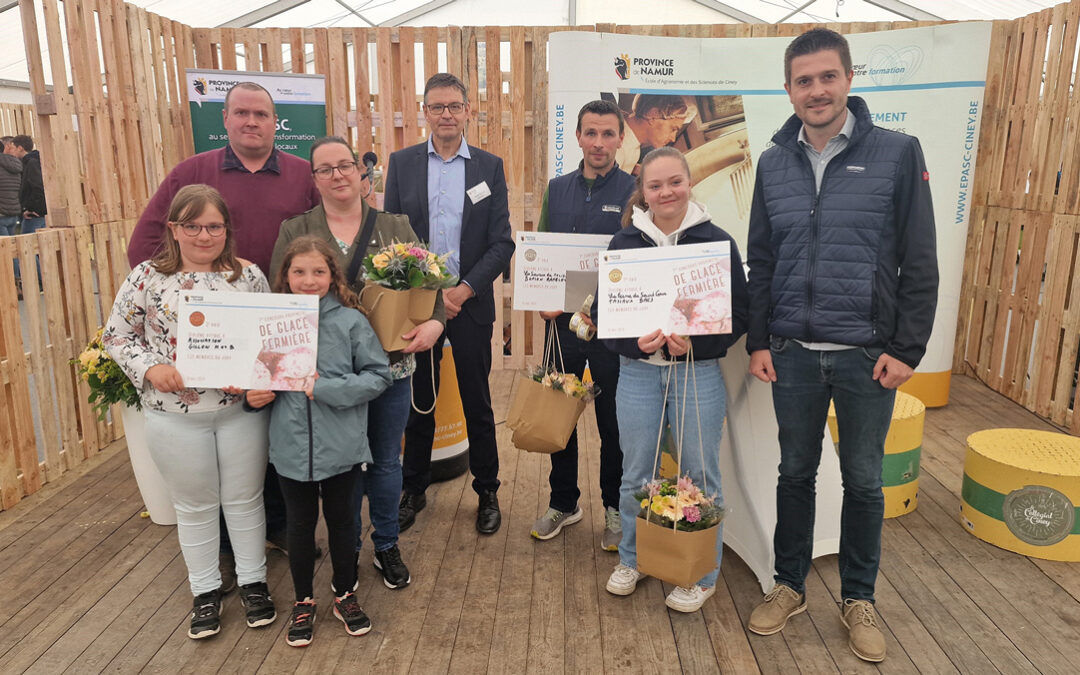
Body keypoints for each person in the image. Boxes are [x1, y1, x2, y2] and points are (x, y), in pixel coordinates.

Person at [744, 29, 938, 663]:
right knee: (794, 473)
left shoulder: (897, 153)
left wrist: (907, 349)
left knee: (862, 480)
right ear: (789, 89)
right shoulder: (773, 162)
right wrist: (760, 339)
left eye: (827, 77)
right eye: (804, 81)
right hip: (793, 352)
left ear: (849, 80)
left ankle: (860, 597)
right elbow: (763, 260)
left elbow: (919, 259)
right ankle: (788, 585)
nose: (816, 91)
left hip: (863, 354)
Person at [126, 82, 322, 588]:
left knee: (263, 443)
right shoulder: (192, 173)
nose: (251, 121)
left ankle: (273, 533)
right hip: (200, 349)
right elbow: (145, 240)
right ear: (227, 118)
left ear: (275, 121)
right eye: (241, 113)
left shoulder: (302, 175)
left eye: (261, 113)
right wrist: (168, 289)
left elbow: (322, 239)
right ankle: (218, 559)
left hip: (275, 323)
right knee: (208, 479)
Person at [272, 136, 446, 590]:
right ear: (314, 179)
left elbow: (431, 287)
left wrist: (435, 325)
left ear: (360, 171)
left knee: (387, 461)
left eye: (345, 165)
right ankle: (347, 549)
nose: (338, 175)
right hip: (323, 378)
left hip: (388, 365)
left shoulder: (394, 226)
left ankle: (386, 543)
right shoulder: (297, 229)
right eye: (325, 169)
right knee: (342, 467)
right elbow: (278, 301)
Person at [103, 184, 276, 640]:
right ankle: (205, 590)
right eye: (193, 226)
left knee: (244, 500)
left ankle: (254, 583)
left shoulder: (249, 276)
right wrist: (150, 366)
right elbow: (117, 336)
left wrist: (259, 377)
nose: (204, 235)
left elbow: (271, 341)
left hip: (238, 413)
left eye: (214, 226)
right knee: (195, 506)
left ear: (226, 229)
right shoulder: (146, 277)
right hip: (173, 415)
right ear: (174, 229)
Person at [600, 146, 747, 613]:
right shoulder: (624, 243)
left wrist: (696, 345)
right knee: (635, 474)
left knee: (701, 475)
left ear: (689, 184)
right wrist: (632, 344)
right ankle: (634, 557)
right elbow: (607, 316)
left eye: (675, 183)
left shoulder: (717, 241)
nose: (666, 192)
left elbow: (738, 315)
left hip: (697, 373)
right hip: (638, 375)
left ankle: (701, 573)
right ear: (642, 191)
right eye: (655, 185)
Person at [384, 72, 515, 535]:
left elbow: (502, 243)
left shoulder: (488, 167)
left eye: (453, 106)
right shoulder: (401, 165)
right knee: (419, 400)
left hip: (470, 303)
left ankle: (488, 491)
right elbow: (392, 238)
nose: (445, 115)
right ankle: (413, 489)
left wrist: (461, 291)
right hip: (418, 307)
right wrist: (430, 295)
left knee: (478, 401)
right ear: (424, 112)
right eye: (436, 106)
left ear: (467, 112)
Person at [248, 235, 391, 647]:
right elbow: (257, 382)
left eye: (318, 272)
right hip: (291, 448)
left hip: (342, 448)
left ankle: (345, 593)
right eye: (299, 272)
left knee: (345, 523)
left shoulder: (350, 321)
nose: (309, 280)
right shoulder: (270, 324)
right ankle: (303, 600)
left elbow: (377, 377)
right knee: (299, 526)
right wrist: (253, 399)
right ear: (285, 276)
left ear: (333, 275)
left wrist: (324, 387)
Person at [531, 100, 633, 550]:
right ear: (577, 137)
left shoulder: (635, 190)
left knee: (613, 423)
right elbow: (541, 253)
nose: (599, 143)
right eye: (590, 133)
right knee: (561, 416)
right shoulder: (558, 189)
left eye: (608, 134)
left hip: (614, 329)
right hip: (564, 328)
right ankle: (564, 502)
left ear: (620, 139)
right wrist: (542, 300)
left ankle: (614, 507)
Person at [614, 95, 697, 175]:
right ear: (653, 115)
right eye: (673, 129)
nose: (673, 138)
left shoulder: (632, 143)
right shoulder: (617, 148)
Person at [7, 135, 46, 236]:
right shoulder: (32, 161)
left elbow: (38, 188)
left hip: (34, 215)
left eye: (13, 148)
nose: (11, 151)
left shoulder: (31, 163)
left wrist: (28, 208)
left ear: (20, 148)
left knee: (29, 249)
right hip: (37, 214)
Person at [0, 137, 21, 237]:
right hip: (13, 213)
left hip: (1, 213)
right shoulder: (15, 164)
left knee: (5, 250)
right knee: (12, 248)